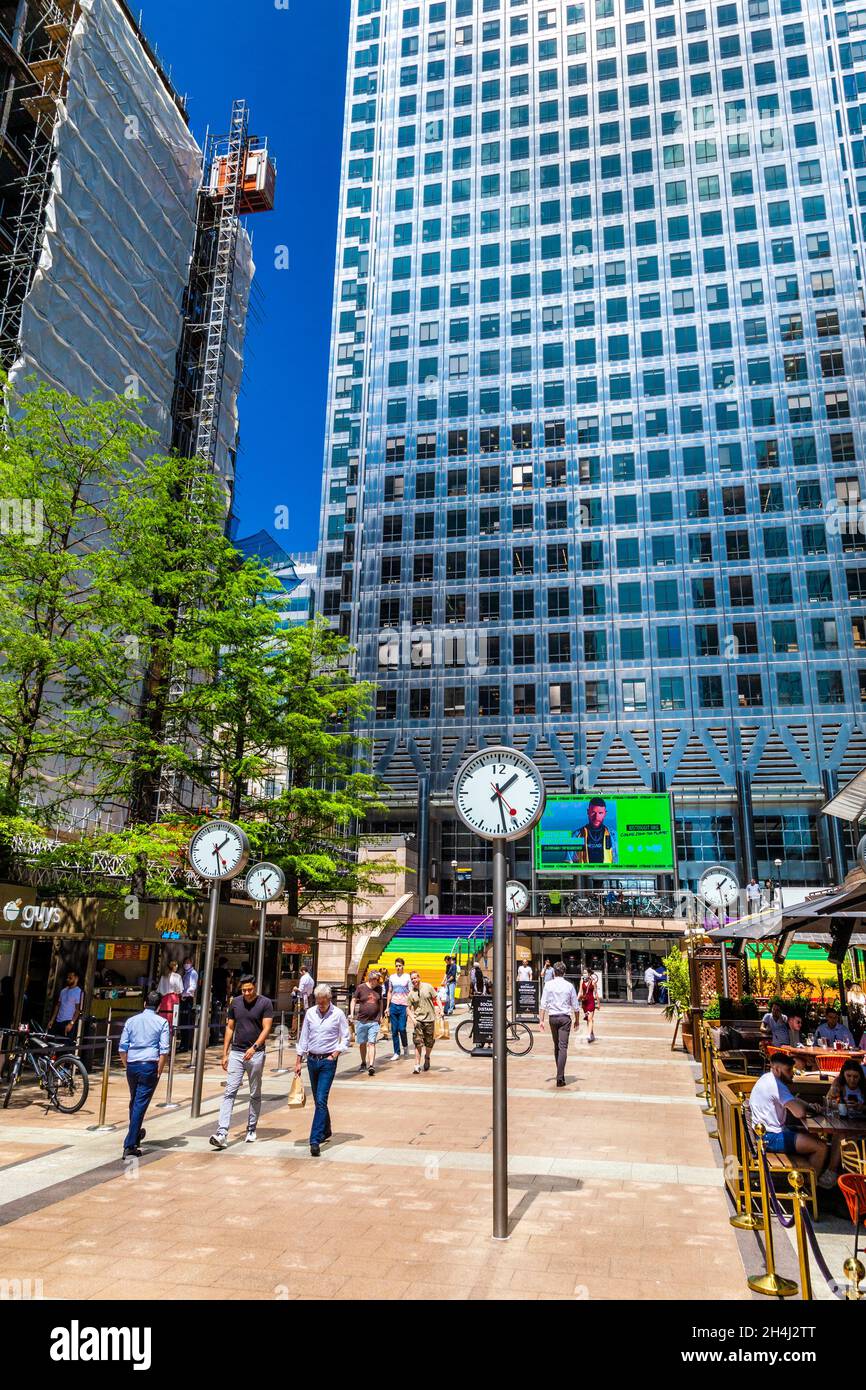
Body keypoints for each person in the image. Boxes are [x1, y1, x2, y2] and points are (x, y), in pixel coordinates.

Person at [209, 975, 274, 1149]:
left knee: (254, 1093)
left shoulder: (265, 1003)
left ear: (255, 987)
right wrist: (225, 1053)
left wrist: (254, 1047)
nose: (246, 993)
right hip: (237, 1053)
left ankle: (251, 1128)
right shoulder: (236, 1003)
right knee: (230, 1092)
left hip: (256, 1054)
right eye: (243, 990)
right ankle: (222, 1132)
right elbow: (230, 1027)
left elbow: (267, 1027)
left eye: (249, 990)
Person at [749, 1052, 830, 1184]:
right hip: (769, 1138)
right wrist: (806, 1109)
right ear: (776, 1069)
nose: (792, 1073)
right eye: (788, 1070)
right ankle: (809, 1189)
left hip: (766, 1133)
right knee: (821, 1147)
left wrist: (810, 1106)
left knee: (816, 1137)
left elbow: (794, 1100)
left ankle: (805, 1180)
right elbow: (799, 1113)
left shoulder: (767, 1078)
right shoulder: (777, 1086)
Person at [296, 983, 350, 1156]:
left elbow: (346, 1036)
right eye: (318, 1001)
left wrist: (334, 1054)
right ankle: (326, 1129)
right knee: (320, 1101)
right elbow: (304, 1037)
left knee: (320, 1099)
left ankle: (314, 1139)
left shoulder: (338, 1014)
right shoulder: (311, 1013)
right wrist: (298, 1061)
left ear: (329, 999)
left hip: (327, 1061)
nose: (320, 1005)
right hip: (312, 1060)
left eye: (323, 1002)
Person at [118, 990, 170, 1161]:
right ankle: (130, 1144)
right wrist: (159, 1070)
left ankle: (136, 1132)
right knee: (140, 1103)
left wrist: (127, 1065)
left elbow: (122, 1048)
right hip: (149, 1065)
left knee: (135, 1101)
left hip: (132, 1064)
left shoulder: (131, 1021)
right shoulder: (162, 1022)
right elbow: (164, 1050)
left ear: (144, 1003)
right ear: (160, 1006)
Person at [539, 961, 580, 1088]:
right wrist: (577, 1020)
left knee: (556, 1046)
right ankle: (560, 1076)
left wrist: (541, 1020)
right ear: (564, 972)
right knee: (563, 1047)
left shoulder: (548, 985)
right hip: (564, 1018)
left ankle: (559, 1074)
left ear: (554, 972)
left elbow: (543, 1004)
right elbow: (575, 1006)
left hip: (553, 1018)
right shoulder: (569, 986)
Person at [407, 969, 441, 1075]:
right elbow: (408, 1008)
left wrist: (441, 1009)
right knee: (418, 1043)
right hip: (418, 1021)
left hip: (430, 1019)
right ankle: (417, 1065)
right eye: (412, 979)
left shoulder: (428, 987)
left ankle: (427, 1057)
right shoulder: (411, 994)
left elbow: (436, 998)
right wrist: (413, 1019)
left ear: (419, 978)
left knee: (429, 1042)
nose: (414, 980)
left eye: (415, 978)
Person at [352, 968, 383, 1075]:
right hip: (362, 1020)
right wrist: (352, 1013)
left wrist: (381, 1015)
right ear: (371, 979)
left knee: (371, 1043)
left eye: (378, 979)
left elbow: (380, 1002)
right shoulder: (361, 988)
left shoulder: (379, 988)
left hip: (374, 1020)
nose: (377, 981)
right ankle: (363, 1062)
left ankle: (371, 1065)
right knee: (362, 1043)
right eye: (376, 979)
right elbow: (354, 1000)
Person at [566, 796, 616, 865]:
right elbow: (568, 863)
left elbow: (619, 862)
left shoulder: (614, 836)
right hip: (583, 875)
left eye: (600, 813)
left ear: (605, 814)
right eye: (593, 812)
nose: (596, 817)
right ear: (588, 812)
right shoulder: (575, 836)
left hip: (607, 875)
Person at [386, 957, 413, 1060]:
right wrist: (387, 1007)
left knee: (402, 1028)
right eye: (396, 966)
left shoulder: (407, 977)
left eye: (400, 966)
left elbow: (410, 992)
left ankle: (405, 1046)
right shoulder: (392, 977)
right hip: (394, 1004)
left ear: (403, 966)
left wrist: (409, 1007)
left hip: (404, 1005)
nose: (398, 967)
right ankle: (396, 1052)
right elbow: (389, 991)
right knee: (394, 1030)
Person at [48, 970, 83, 1038]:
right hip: (58, 1021)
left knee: (65, 1045)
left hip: (68, 1022)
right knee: (54, 1042)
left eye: (70, 978)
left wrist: (71, 1023)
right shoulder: (63, 991)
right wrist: (52, 1020)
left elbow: (78, 1010)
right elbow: (58, 1006)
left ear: (76, 979)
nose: (67, 979)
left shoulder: (79, 992)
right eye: (67, 978)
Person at [156, 959, 183, 1034]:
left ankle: (162, 1032)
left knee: (164, 1016)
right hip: (174, 998)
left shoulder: (163, 976)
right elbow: (180, 990)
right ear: (174, 967)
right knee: (173, 1017)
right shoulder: (177, 976)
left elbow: (159, 990)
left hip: (164, 999)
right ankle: (172, 1034)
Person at [178, 956, 198, 1054]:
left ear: (191, 962)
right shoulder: (186, 973)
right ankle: (183, 1044)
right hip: (184, 998)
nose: (186, 964)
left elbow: (192, 987)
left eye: (188, 962)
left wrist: (184, 994)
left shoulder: (193, 973)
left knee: (186, 1022)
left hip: (187, 999)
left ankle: (185, 1045)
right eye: (185, 962)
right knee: (182, 1022)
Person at [210, 955, 230, 1044]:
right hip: (222, 995)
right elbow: (228, 985)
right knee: (221, 1016)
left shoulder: (214, 971)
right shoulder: (226, 973)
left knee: (215, 1016)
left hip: (215, 995)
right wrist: (229, 997)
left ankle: (214, 1036)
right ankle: (218, 1036)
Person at [579, 967, 599, 1042]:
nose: (584, 974)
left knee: (590, 1018)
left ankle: (588, 1035)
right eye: (583, 973)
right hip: (584, 1002)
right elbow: (580, 992)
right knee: (588, 1019)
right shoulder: (581, 981)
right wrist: (578, 998)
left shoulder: (593, 982)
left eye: (586, 973)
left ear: (589, 974)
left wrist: (598, 1003)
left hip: (591, 1002)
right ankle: (592, 1034)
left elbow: (596, 993)